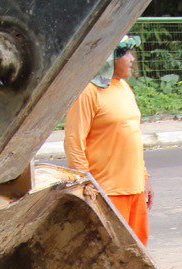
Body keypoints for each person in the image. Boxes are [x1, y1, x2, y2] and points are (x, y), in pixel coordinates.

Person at [65, 35, 151, 244]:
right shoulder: (88, 92)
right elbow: (74, 141)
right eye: (127, 53)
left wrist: (145, 178)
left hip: (135, 190)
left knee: (139, 255)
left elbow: (132, 138)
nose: (132, 58)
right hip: (106, 192)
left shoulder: (123, 87)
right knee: (112, 253)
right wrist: (85, 184)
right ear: (110, 58)